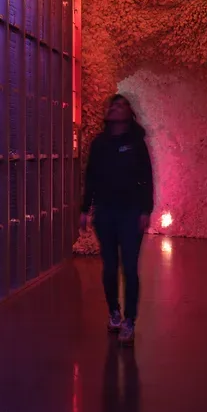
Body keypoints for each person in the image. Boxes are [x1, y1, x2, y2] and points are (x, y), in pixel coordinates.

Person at [79, 94, 154, 345]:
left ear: (129, 113)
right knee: (109, 267)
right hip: (106, 212)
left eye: (121, 105)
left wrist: (146, 210)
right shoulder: (99, 144)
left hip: (131, 212)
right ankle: (114, 311)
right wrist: (85, 209)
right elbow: (91, 178)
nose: (115, 107)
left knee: (130, 268)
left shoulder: (136, 143)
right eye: (112, 104)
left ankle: (129, 320)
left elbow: (146, 178)